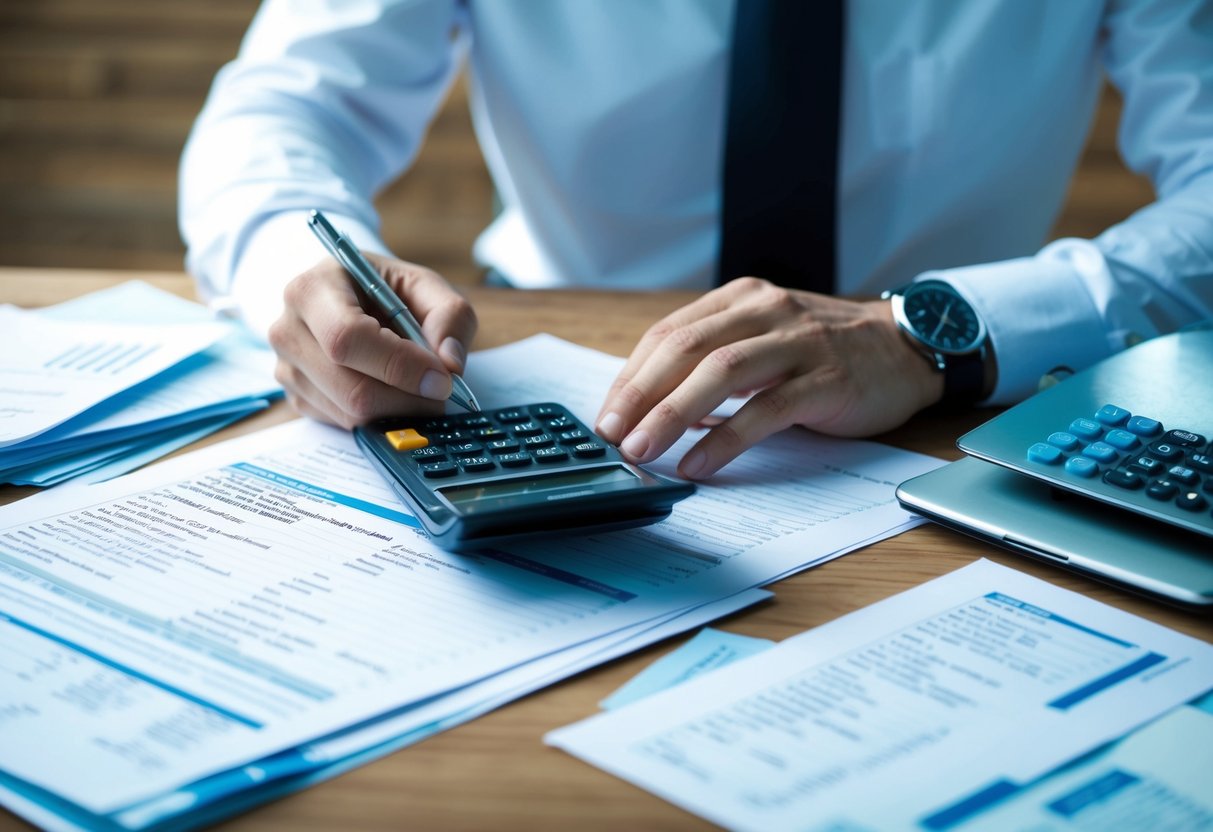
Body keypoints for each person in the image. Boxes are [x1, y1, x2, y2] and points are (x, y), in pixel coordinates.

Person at [180, 0, 1213, 482]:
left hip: (942, 416)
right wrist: (296, 269)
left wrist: (941, 332)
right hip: (545, 383)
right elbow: (280, 106)